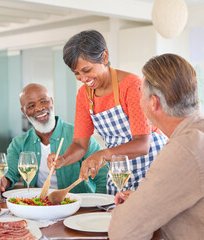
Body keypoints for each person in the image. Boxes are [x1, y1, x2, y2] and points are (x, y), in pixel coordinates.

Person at [109, 54, 204, 239]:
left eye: (140, 91)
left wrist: (131, 212)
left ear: (153, 102)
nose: (138, 99)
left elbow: (123, 232)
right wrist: (142, 203)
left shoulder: (185, 149)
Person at [49, 30, 167, 195]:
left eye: (87, 70)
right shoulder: (84, 95)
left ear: (104, 57)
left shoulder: (131, 86)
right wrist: (63, 159)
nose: (83, 79)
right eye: (76, 73)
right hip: (119, 172)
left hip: (151, 167)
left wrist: (103, 154)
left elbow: (142, 144)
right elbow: (79, 145)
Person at [0, 83, 107, 194]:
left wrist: (101, 205)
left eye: (44, 101)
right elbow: (9, 175)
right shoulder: (19, 143)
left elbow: (103, 175)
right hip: (38, 206)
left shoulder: (79, 135)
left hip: (78, 207)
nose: (39, 108)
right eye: (31, 105)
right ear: (23, 112)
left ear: (52, 102)